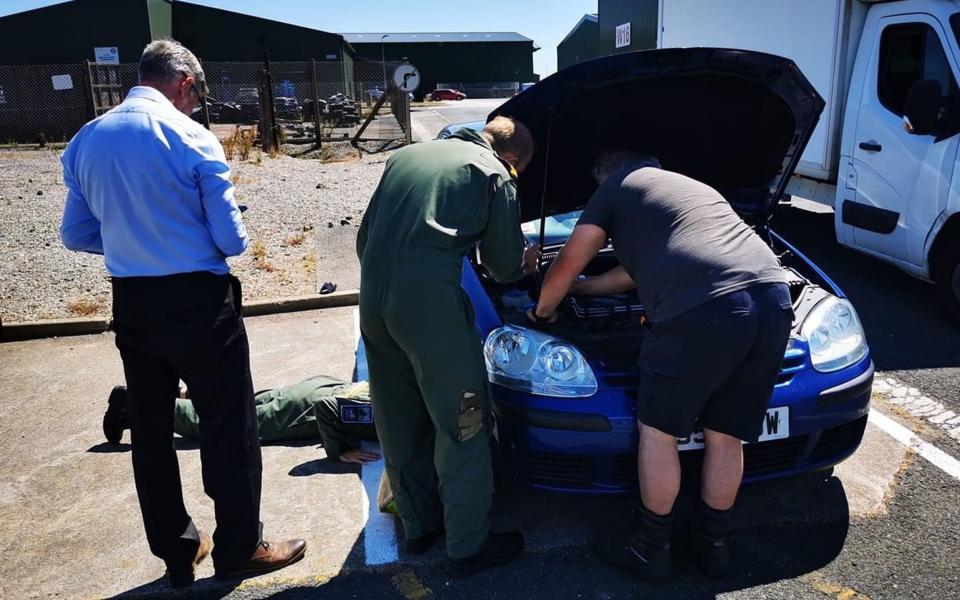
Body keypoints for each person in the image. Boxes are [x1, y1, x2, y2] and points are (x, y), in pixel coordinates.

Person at [59, 39, 305, 588]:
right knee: (228, 425)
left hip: (134, 301)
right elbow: (231, 239)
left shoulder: (85, 140)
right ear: (186, 83)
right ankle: (241, 546)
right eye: (198, 95)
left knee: (150, 430)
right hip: (198, 301)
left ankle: (177, 551)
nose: (197, 105)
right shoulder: (191, 136)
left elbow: (75, 233)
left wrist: (133, 242)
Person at [529, 151, 793, 581]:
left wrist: (543, 311)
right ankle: (715, 549)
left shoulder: (615, 186)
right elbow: (629, 275)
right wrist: (583, 290)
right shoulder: (687, 189)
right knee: (726, 437)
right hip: (772, 298)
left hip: (705, 309)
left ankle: (650, 549)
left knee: (659, 433)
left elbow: (567, 262)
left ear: (605, 176)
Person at [357, 116, 539, 578]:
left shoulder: (405, 157)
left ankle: (418, 528)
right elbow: (501, 268)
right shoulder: (493, 172)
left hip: (373, 302)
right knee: (464, 419)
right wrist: (526, 262)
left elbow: (364, 239)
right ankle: (467, 547)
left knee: (398, 417)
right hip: (428, 310)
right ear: (513, 157)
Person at [103, 376, 381, 464]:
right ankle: (134, 404)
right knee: (219, 424)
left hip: (315, 386)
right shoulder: (383, 413)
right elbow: (326, 409)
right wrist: (340, 451)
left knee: (234, 404)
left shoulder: (401, 391)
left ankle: (172, 394)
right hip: (298, 408)